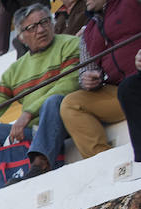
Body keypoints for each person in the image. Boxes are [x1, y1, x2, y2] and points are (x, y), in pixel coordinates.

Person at [0, 4, 81, 189]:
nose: (41, 30)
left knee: (53, 102)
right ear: (21, 36)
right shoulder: (16, 69)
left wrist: (27, 113)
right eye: (32, 27)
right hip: (34, 131)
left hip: (64, 121)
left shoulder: (69, 44)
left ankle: (40, 164)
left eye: (44, 22)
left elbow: (68, 84)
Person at [60, 0, 141, 159]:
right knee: (70, 104)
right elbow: (86, 69)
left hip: (137, 81)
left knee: (128, 88)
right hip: (118, 93)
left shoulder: (132, 3)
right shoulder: (87, 32)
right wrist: (87, 80)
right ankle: (103, 160)